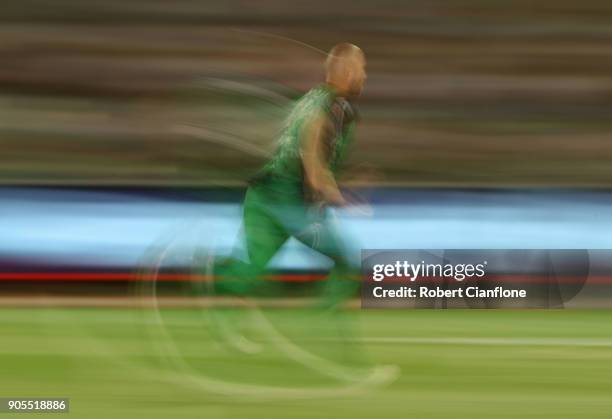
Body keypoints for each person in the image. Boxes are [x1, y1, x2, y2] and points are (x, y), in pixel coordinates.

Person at [212, 43, 368, 308]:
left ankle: (206, 274)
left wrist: (332, 180)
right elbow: (313, 155)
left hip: (262, 196)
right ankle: (318, 328)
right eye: (363, 69)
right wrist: (335, 194)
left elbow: (302, 148)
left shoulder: (309, 99)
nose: (365, 76)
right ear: (349, 71)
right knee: (345, 266)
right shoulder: (333, 107)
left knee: (245, 274)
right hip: (292, 203)